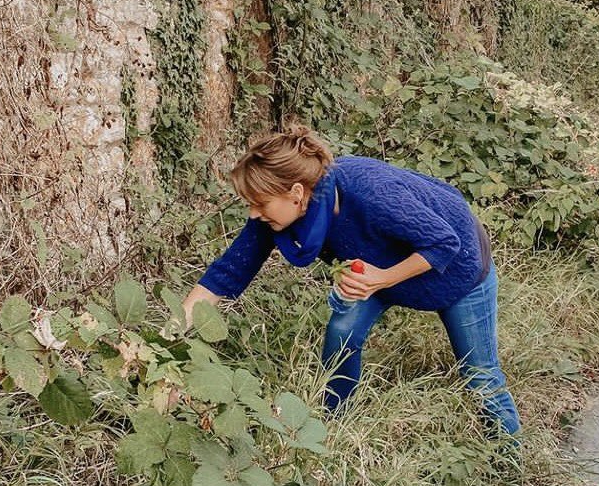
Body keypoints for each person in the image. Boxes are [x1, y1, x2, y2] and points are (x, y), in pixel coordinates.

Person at [182, 124, 521, 438]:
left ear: (296, 193)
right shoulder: (277, 215)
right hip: (377, 269)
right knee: (342, 332)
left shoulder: (370, 192)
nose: (253, 213)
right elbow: (227, 273)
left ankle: (509, 470)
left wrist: (382, 278)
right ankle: (332, 427)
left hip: (459, 266)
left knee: (480, 376)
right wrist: (168, 340)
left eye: (259, 204)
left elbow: (444, 242)